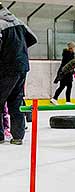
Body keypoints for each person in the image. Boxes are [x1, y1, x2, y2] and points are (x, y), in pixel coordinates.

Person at [0, 2, 37, 145]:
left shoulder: (0, 24)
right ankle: (18, 136)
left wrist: (9, 52)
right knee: (16, 101)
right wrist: (18, 50)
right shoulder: (18, 21)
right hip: (22, 66)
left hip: (6, 68)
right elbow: (33, 38)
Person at [50, 41, 75, 105]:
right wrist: (73, 71)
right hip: (66, 73)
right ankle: (56, 99)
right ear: (71, 48)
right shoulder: (69, 55)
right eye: (74, 48)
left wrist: (73, 72)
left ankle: (63, 100)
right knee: (64, 86)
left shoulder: (67, 54)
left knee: (65, 86)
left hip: (65, 73)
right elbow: (69, 65)